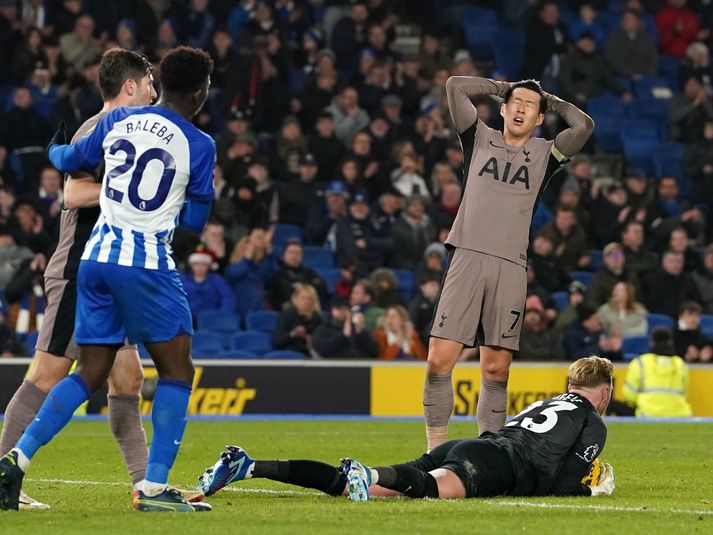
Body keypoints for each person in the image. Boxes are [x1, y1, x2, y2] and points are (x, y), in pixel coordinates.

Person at [0, 46, 216, 513]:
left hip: (99, 261)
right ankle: (148, 487)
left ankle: (137, 481)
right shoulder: (121, 126)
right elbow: (73, 192)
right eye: (148, 84)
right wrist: (148, 194)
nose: (154, 91)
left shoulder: (119, 127)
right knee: (59, 371)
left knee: (123, 377)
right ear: (132, 86)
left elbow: (62, 157)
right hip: (93, 265)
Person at [424, 75, 593, 451]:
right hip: (467, 256)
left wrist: (547, 98)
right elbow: (455, 86)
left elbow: (583, 125)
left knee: (496, 371)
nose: (520, 108)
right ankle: (433, 454)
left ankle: (488, 455)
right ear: (502, 109)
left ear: (538, 119)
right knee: (438, 362)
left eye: (529, 107)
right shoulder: (477, 137)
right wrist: (504, 86)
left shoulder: (547, 153)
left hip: (510, 266)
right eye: (515, 102)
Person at [195, 356, 616, 502]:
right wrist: (590, 488)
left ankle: (248, 466)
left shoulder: (547, 401)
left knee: (351, 488)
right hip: (494, 462)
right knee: (428, 490)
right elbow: (563, 482)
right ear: (605, 391)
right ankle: (370, 474)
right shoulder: (593, 420)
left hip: (470, 444)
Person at [624, 327, 692, 417]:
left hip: (647, 414)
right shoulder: (680, 363)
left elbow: (629, 395)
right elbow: (684, 393)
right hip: (680, 415)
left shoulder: (640, 362)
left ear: (652, 342)